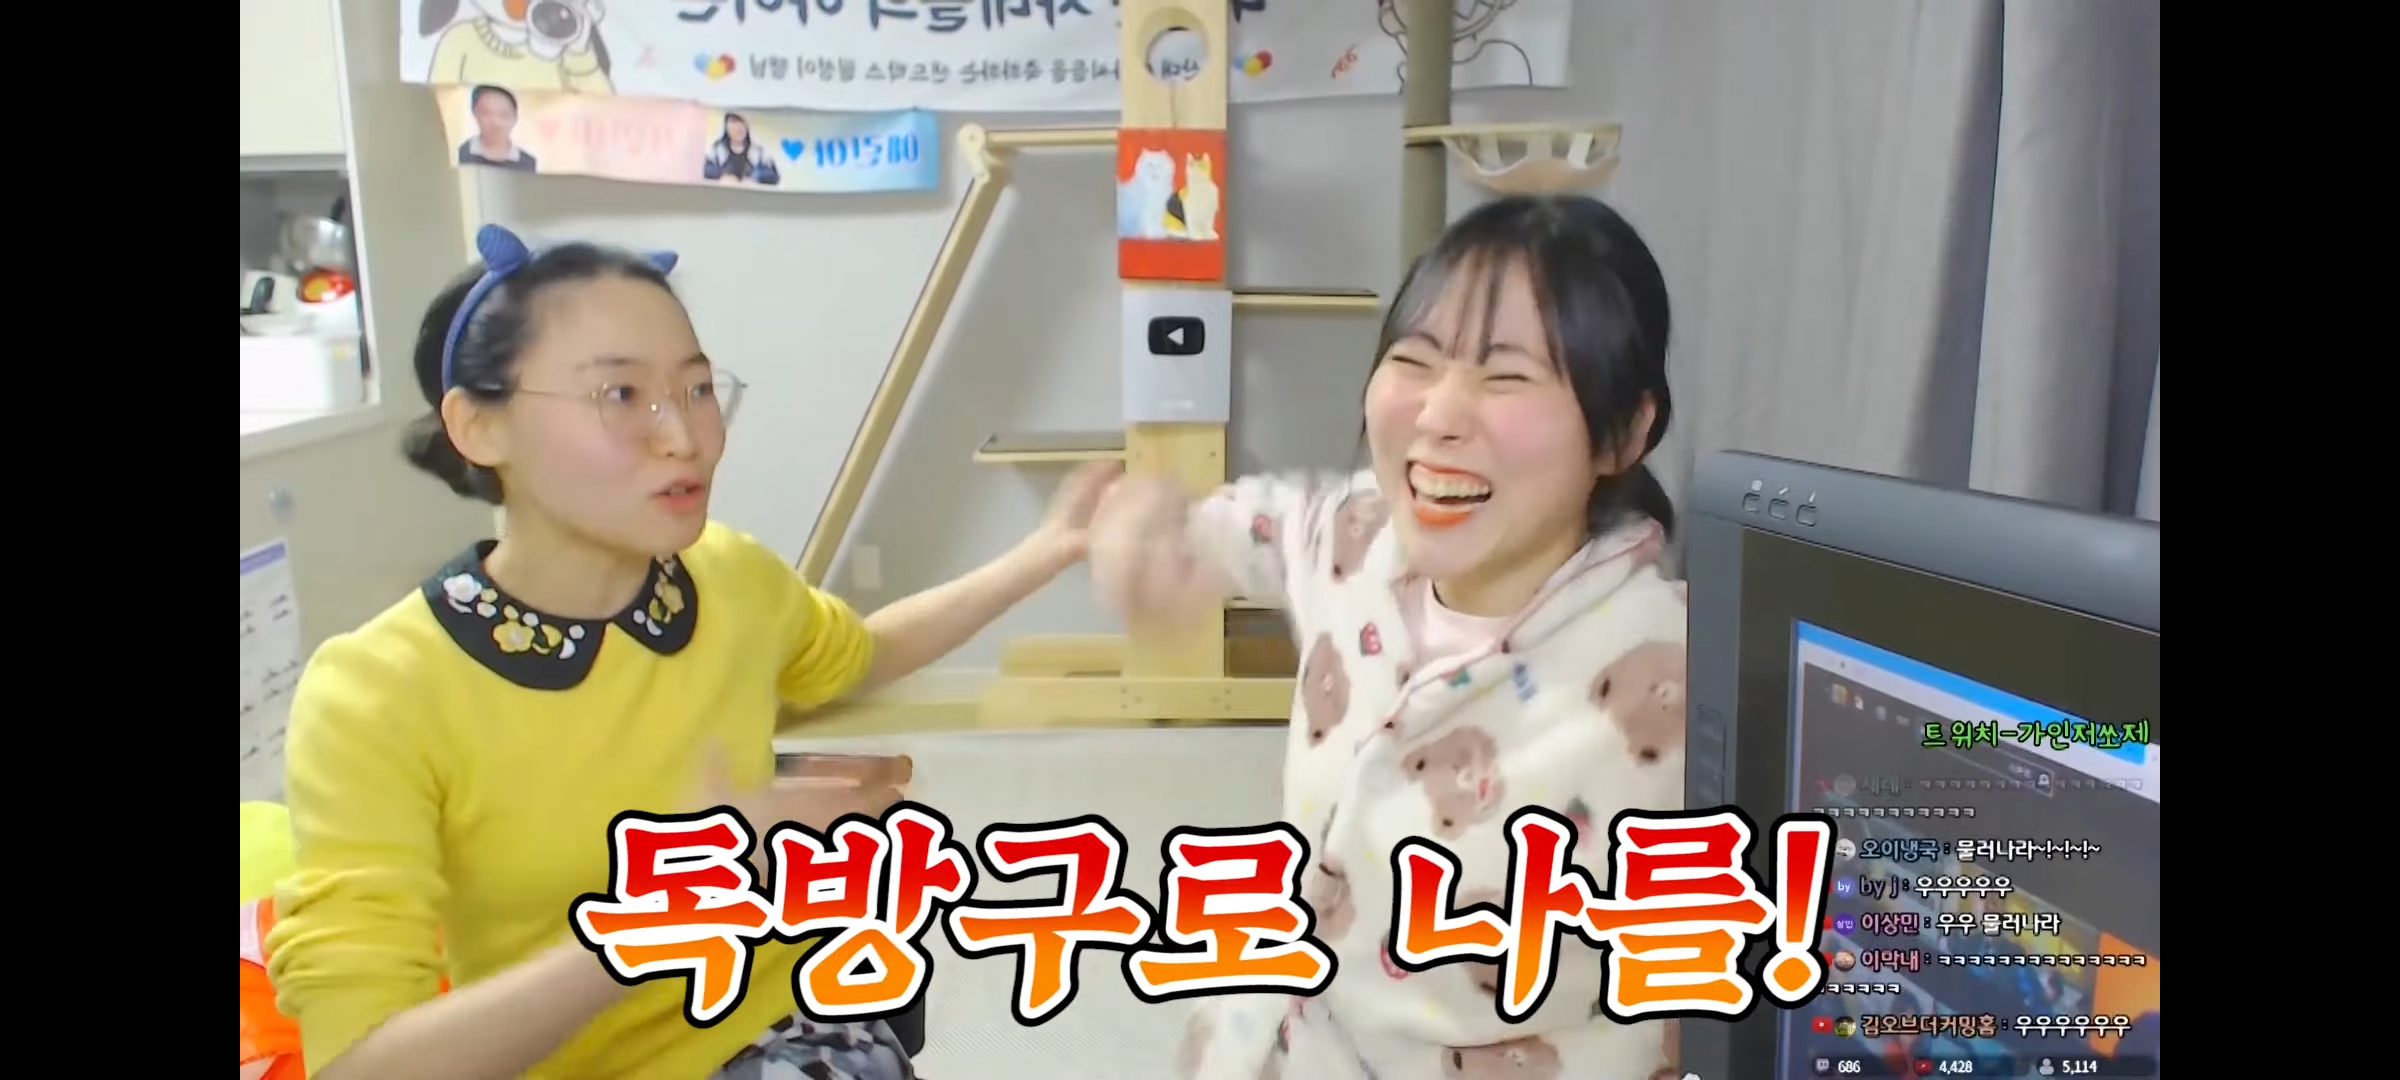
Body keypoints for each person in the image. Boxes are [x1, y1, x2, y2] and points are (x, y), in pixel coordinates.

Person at [266, 223, 1118, 1080]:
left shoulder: (728, 577)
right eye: (620, 394)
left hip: (793, 1027)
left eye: (699, 388)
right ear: (479, 426)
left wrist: (1044, 551)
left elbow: (859, 654)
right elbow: (359, 1067)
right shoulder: (377, 691)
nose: (685, 436)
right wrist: (662, 912)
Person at [1090, 194, 1687, 1080]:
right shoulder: (1355, 535)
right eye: (1415, 359)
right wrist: (1149, 534)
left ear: (1624, 432)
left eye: (1506, 376)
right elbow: (1237, 525)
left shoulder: (1678, 668)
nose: (1438, 414)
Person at [458, 84, 539, 172]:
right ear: (475, 114)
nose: (496, 123)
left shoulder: (528, 163)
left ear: (515, 118)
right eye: (487, 113)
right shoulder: (461, 154)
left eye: (504, 115)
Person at [703, 113, 781, 186]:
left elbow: (774, 175)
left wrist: (755, 179)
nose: (738, 127)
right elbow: (706, 170)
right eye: (733, 122)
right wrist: (721, 177)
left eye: (742, 122)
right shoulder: (716, 150)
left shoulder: (758, 151)